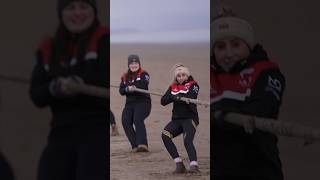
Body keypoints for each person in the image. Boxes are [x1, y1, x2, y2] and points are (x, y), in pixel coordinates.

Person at [29, 0, 108, 179]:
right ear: (61, 13)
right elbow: (36, 95)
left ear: (93, 11)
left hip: (98, 130)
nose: (78, 13)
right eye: (71, 8)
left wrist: (80, 83)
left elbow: (110, 84)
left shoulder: (106, 41)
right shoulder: (49, 47)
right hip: (61, 132)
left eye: (83, 7)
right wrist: (54, 89)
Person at [211, 9, 286, 180]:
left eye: (236, 44)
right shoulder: (208, 75)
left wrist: (219, 115)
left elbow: (261, 109)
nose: (229, 53)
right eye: (221, 47)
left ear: (248, 45)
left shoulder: (267, 72)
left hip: (258, 168)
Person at [161, 64, 200, 174]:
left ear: (187, 75)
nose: (181, 77)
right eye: (178, 76)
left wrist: (176, 97)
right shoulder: (172, 86)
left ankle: (194, 166)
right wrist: (173, 97)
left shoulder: (194, 85)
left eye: (183, 75)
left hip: (190, 118)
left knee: (187, 140)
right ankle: (179, 164)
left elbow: (191, 97)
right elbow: (163, 101)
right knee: (165, 135)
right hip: (177, 120)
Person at [119, 54, 151, 152]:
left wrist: (134, 87)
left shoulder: (144, 74)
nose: (134, 65)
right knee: (125, 121)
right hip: (129, 104)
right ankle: (135, 145)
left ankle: (143, 144)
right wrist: (127, 89)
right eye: (131, 63)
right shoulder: (124, 76)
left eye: (136, 63)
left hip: (143, 103)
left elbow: (144, 84)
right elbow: (121, 90)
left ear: (139, 64)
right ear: (128, 65)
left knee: (137, 119)